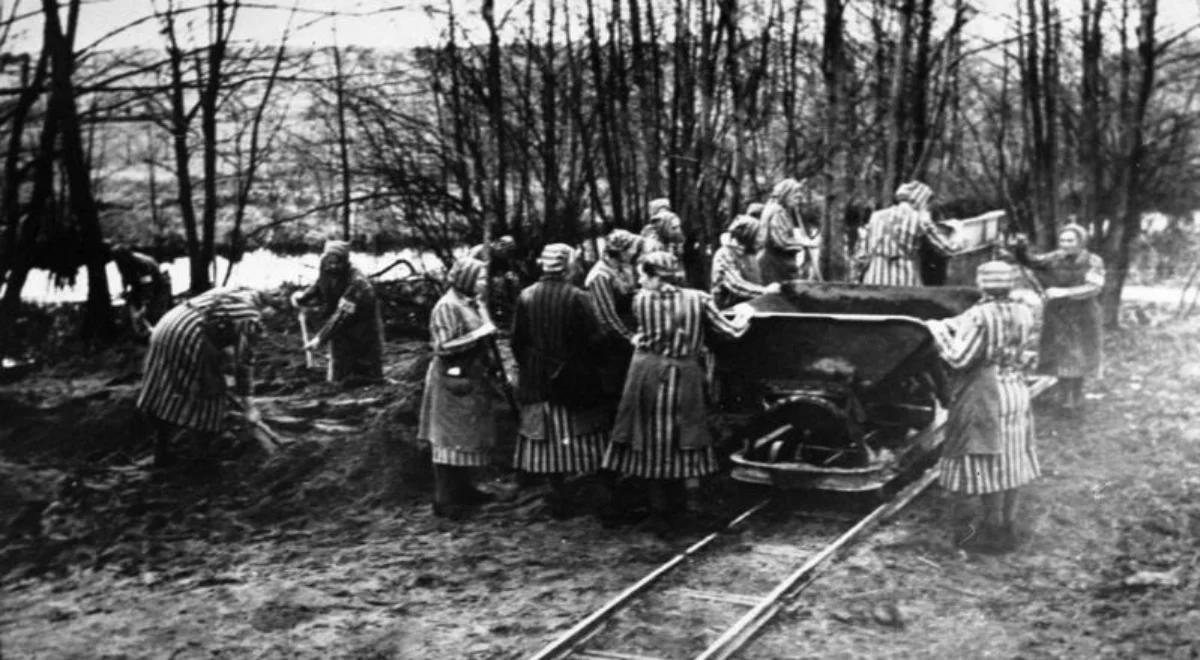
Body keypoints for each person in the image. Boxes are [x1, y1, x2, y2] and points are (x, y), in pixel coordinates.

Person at [603, 251, 752, 531]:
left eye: (643, 275)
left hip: (646, 374)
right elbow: (730, 333)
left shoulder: (640, 301)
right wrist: (745, 315)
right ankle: (692, 505)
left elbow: (645, 333)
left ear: (654, 275)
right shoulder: (699, 300)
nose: (640, 280)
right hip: (684, 375)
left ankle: (658, 508)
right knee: (688, 435)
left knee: (649, 436)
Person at [925, 261, 1040, 552]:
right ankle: (1004, 527)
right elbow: (965, 323)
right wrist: (952, 324)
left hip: (984, 394)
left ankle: (977, 534)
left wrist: (936, 331)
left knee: (978, 461)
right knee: (1011, 460)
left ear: (982, 285)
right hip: (1015, 390)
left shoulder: (981, 315)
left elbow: (959, 358)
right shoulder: (1024, 311)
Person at [511, 244, 608, 519]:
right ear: (567, 266)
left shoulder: (526, 296)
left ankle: (558, 494)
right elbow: (596, 338)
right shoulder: (578, 297)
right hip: (574, 378)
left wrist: (532, 366)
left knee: (546, 440)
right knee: (584, 435)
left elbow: (517, 341)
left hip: (538, 380)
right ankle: (595, 496)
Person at [137, 287, 269, 467]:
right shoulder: (250, 315)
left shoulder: (231, 293)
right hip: (189, 336)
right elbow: (244, 363)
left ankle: (163, 449)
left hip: (166, 327)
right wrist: (249, 407)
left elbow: (221, 338)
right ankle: (202, 458)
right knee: (210, 397)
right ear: (266, 307)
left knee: (163, 388)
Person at [418, 257, 503, 518]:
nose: (482, 283)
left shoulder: (472, 303)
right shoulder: (447, 306)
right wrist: (480, 334)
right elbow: (443, 346)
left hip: (470, 377)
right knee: (447, 441)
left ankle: (465, 490)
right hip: (451, 380)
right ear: (465, 279)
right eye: (478, 278)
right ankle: (445, 500)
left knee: (466, 438)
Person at [1013, 223, 1105, 411]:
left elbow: (1094, 287)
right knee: (1060, 354)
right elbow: (1032, 262)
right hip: (1058, 315)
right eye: (1062, 240)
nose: (1065, 244)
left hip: (1083, 315)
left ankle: (1076, 396)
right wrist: (1021, 248)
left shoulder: (1093, 261)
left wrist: (1063, 292)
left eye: (1070, 240)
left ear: (1081, 241)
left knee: (1079, 354)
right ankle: (1064, 396)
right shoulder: (1054, 257)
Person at [290, 240, 385, 385]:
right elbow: (319, 286)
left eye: (337, 263)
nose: (333, 266)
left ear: (345, 262)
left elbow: (342, 315)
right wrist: (302, 298)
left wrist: (320, 339)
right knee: (339, 375)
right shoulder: (327, 270)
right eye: (330, 262)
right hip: (341, 331)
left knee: (366, 373)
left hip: (362, 330)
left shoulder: (358, 282)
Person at [854, 180, 962, 286]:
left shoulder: (876, 216)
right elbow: (947, 249)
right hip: (903, 281)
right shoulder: (920, 219)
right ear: (921, 201)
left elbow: (861, 255)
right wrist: (958, 232)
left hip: (874, 281)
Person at [585, 229, 642, 411]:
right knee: (617, 389)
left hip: (624, 337)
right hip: (612, 342)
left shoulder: (619, 269)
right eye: (631, 249)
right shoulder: (600, 276)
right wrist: (629, 338)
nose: (634, 253)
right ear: (620, 251)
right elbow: (606, 317)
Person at [758, 177, 822, 284]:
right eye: (795, 195)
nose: (798, 198)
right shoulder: (777, 211)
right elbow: (782, 241)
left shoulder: (779, 210)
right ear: (785, 194)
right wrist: (807, 243)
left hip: (776, 264)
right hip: (774, 265)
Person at [711, 215, 781, 308]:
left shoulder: (750, 255)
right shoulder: (724, 254)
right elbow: (736, 285)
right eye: (758, 235)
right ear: (747, 234)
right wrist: (765, 291)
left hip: (750, 308)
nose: (761, 239)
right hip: (728, 313)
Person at [109, 245, 173, 336]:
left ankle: (159, 334)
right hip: (139, 284)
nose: (117, 262)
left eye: (119, 259)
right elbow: (124, 277)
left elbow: (148, 285)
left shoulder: (141, 263)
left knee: (155, 313)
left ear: (127, 256)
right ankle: (142, 332)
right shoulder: (121, 263)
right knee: (136, 309)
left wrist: (145, 305)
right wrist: (124, 290)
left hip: (158, 285)